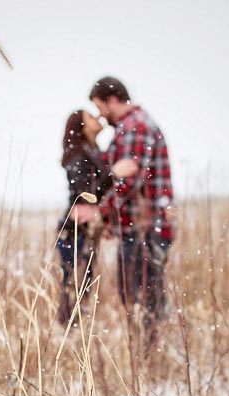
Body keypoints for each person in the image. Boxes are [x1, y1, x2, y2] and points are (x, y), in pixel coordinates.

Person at [76, 76, 175, 335]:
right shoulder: (131, 127)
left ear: (112, 100)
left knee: (142, 300)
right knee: (140, 298)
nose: (100, 114)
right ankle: (149, 356)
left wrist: (100, 213)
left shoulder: (135, 128)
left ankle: (150, 361)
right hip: (141, 229)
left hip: (143, 228)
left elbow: (128, 184)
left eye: (100, 106)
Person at [57, 109, 137, 324]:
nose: (98, 118)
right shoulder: (77, 154)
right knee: (75, 285)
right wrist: (114, 174)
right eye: (91, 117)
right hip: (74, 229)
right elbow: (87, 193)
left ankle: (72, 331)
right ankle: (66, 331)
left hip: (85, 228)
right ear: (81, 126)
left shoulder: (92, 151)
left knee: (84, 283)